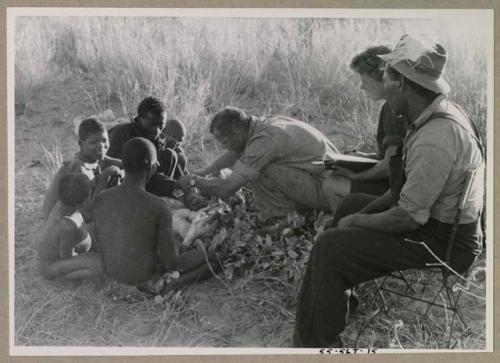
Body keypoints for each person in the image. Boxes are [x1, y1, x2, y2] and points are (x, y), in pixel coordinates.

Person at [293, 35, 485, 347]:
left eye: (387, 76)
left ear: (402, 84)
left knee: (330, 246)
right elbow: (403, 191)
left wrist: (358, 224)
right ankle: (333, 298)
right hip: (437, 226)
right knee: (351, 205)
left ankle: (316, 347)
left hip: (445, 243)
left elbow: (409, 216)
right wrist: (359, 215)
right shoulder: (431, 115)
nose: (382, 82)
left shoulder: (435, 136)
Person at [92, 137, 220, 288]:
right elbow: (172, 263)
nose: (158, 164)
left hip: (112, 272)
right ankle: (172, 285)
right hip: (142, 276)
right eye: (156, 162)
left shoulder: (102, 198)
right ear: (151, 166)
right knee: (214, 261)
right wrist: (207, 255)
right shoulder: (158, 206)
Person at [180, 107, 345, 219]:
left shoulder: (263, 141)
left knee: (257, 169)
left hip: (331, 193)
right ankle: (294, 209)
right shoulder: (261, 125)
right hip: (332, 180)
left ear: (236, 134)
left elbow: (227, 188)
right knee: (250, 162)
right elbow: (235, 151)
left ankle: (282, 217)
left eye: (224, 142)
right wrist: (205, 171)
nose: (223, 147)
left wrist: (195, 182)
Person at [327, 45, 408, 197]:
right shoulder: (390, 106)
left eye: (366, 81)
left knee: (332, 184)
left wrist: (356, 176)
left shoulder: (394, 110)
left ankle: (345, 220)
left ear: (384, 79)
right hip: (400, 182)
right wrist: (359, 158)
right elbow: (388, 157)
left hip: (400, 189)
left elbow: (388, 166)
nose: (362, 87)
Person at [41, 117, 122, 220]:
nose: (101, 146)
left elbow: (114, 162)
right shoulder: (78, 170)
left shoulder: (94, 157)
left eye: (104, 140)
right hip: (63, 224)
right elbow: (86, 213)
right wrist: (105, 178)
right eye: (93, 142)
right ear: (81, 144)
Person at [107, 97, 184, 197]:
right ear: (140, 118)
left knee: (171, 155)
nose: (157, 130)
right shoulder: (121, 133)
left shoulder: (159, 138)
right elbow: (110, 166)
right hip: (124, 182)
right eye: (152, 125)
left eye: (161, 126)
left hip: (146, 180)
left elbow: (154, 172)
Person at [38, 173, 104, 281]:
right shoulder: (68, 227)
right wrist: (86, 256)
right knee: (99, 265)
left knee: (96, 228)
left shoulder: (65, 205)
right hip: (53, 267)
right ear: (85, 201)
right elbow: (66, 257)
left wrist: (95, 248)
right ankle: (64, 279)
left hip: (65, 248)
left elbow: (83, 223)